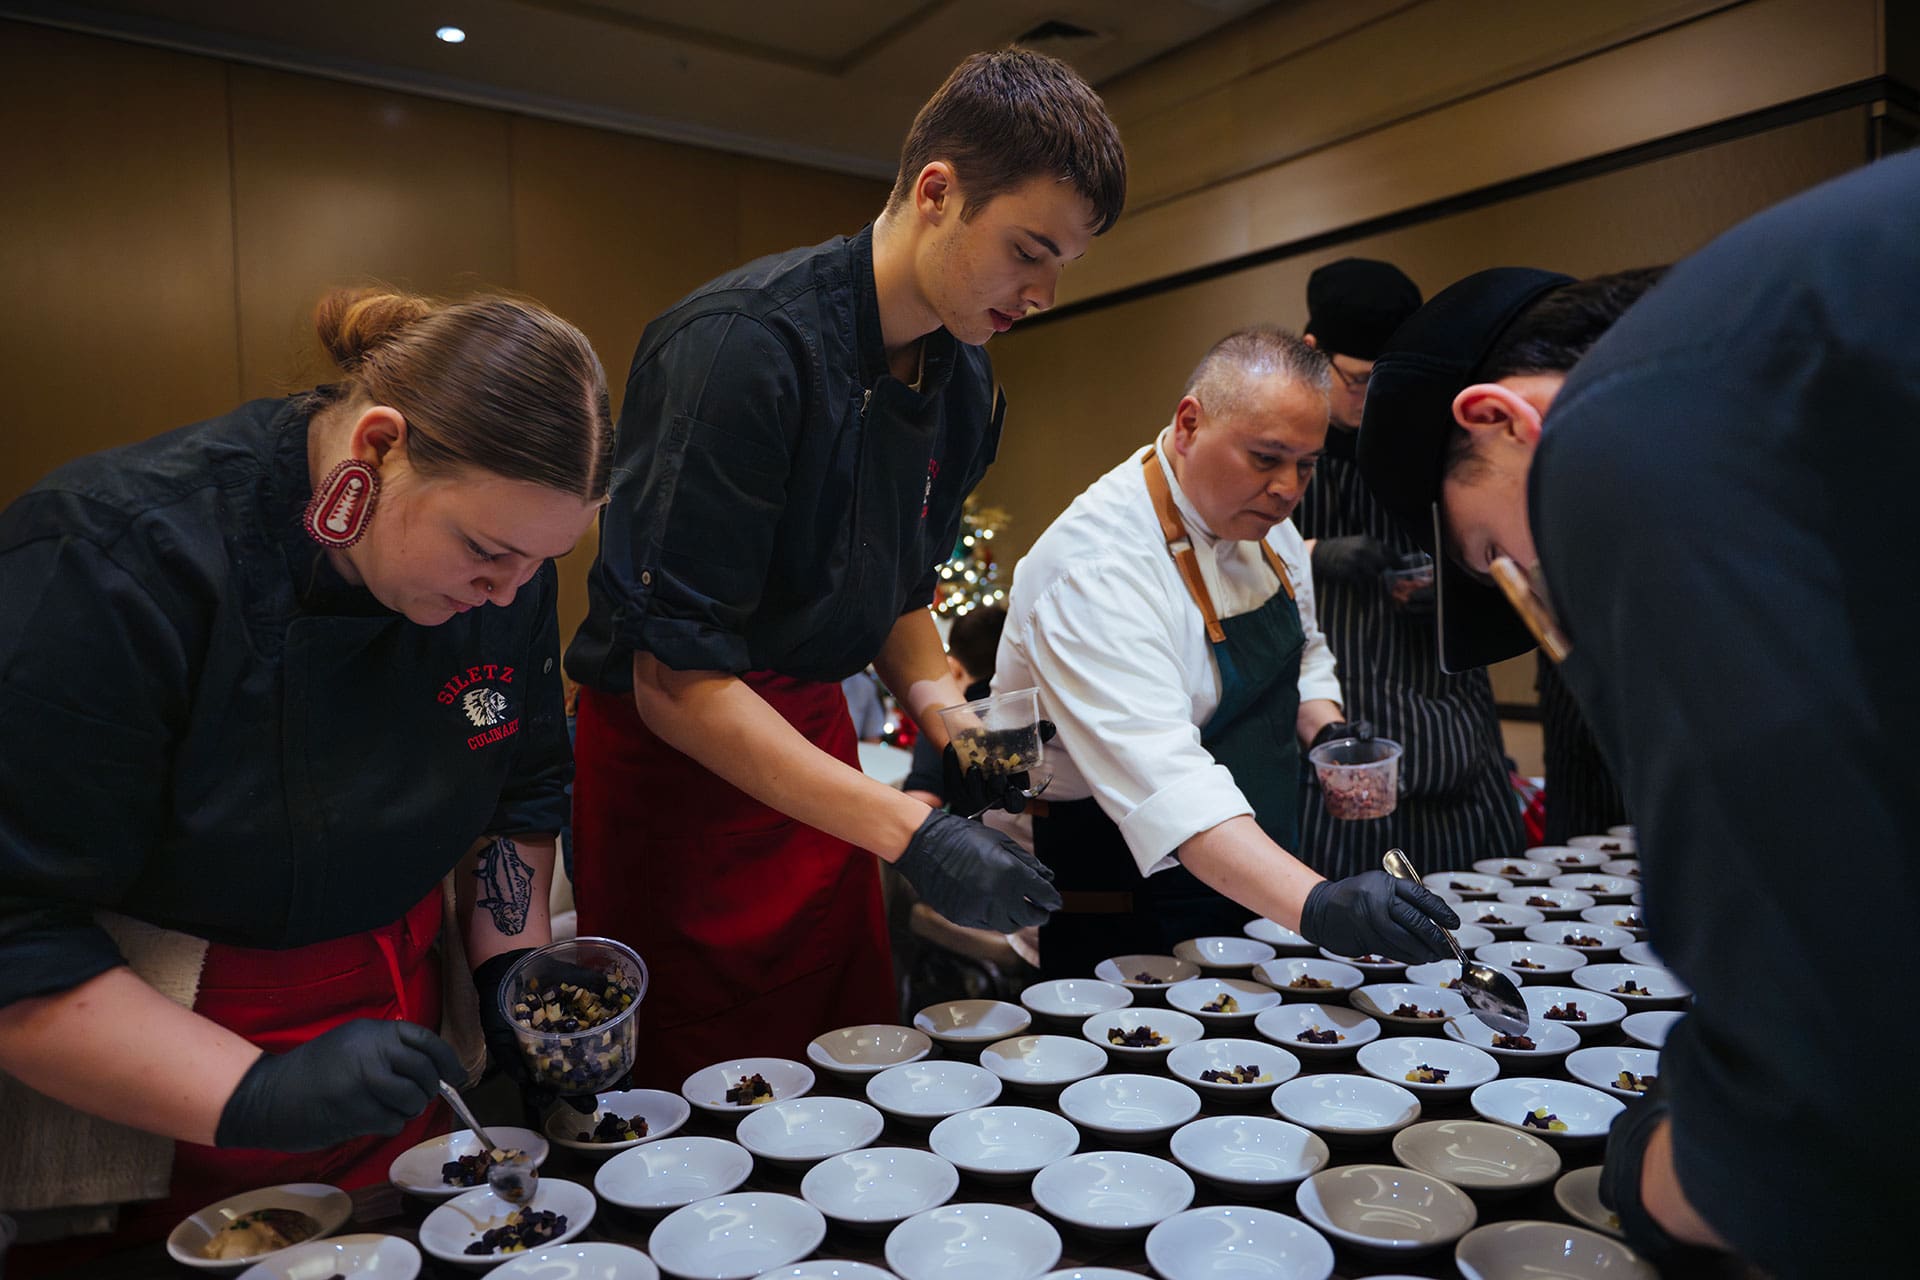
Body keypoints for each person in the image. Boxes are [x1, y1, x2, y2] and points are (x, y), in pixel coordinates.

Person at [1354, 151, 1920, 1276]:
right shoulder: (1788, 341)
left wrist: (1674, 1159)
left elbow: (1831, 1044)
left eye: (1497, 555)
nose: (1544, 588)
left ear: (1501, 418)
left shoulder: (1626, 416)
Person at [0, 288, 613, 1263]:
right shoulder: (114, 560)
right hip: (152, 1054)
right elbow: (15, 930)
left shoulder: (506, 578)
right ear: (374, 445)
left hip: (401, 1026)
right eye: (488, 551)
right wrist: (257, 1092)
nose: (510, 593)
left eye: (545, 562)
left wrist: (513, 979)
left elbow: (521, 796)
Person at [564, 48, 1124, 1088]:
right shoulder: (742, 348)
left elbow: (896, 583)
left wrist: (943, 713)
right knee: (699, 1086)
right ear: (938, 192)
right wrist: (909, 826)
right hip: (681, 765)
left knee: (843, 1059)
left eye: (1064, 268)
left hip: (811, 737)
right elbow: (673, 677)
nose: (1042, 294)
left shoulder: (962, 374)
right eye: (1028, 251)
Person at [988, 326, 1460, 980]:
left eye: (1307, 464)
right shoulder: (1094, 571)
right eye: (1266, 458)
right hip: (1118, 873)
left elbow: (1307, 649)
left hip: (1240, 857)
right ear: (1188, 425)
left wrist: (1328, 730)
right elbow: (1165, 780)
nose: (1288, 488)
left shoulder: (1269, 526)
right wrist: (1318, 904)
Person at [1292, 258, 1525, 878]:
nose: (1373, 400)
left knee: (1478, 909)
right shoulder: (1284, 440)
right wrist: (1318, 553)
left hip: (1450, 724)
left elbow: (1506, 545)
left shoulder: (1428, 428)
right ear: (1313, 352)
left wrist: (1457, 584)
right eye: (1358, 380)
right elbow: (1229, 556)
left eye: (1384, 380)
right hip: (1344, 712)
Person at [902, 605, 1009, 808]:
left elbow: (924, 798)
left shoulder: (946, 719)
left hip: (973, 835)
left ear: (955, 667)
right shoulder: (1025, 709)